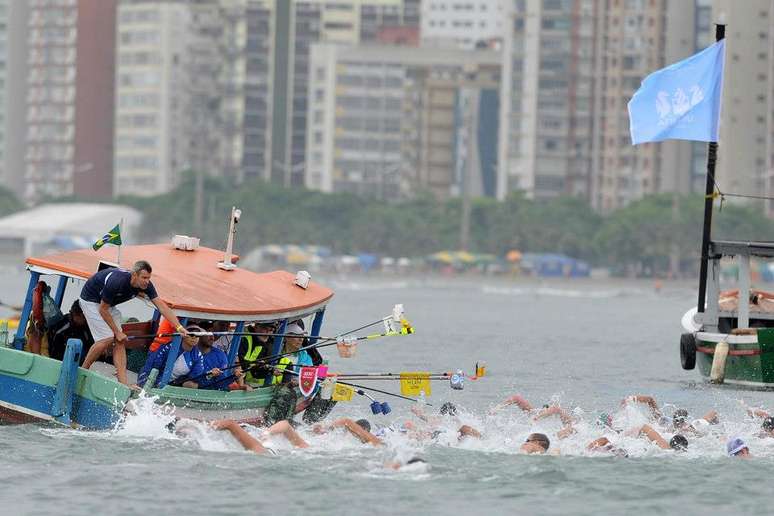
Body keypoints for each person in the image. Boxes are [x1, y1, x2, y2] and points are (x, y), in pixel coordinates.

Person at [79, 260, 188, 385]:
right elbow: (103, 309)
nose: (147, 281)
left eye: (149, 278)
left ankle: (123, 384)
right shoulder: (117, 282)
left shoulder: (146, 286)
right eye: (144, 277)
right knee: (108, 338)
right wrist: (116, 332)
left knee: (120, 341)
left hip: (107, 305)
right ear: (134, 275)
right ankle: (82, 371)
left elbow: (161, 306)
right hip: (91, 301)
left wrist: (179, 327)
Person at [137, 325, 201, 388]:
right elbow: (153, 366)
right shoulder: (169, 347)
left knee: (193, 385)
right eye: (191, 334)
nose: (194, 338)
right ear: (183, 335)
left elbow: (196, 375)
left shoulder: (197, 355)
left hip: (175, 384)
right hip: (157, 378)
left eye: (197, 335)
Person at [204, 419, 308, 455]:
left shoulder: (304, 448)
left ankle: (202, 429)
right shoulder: (306, 448)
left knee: (230, 424)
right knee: (230, 424)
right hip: (266, 449)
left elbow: (285, 425)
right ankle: (203, 429)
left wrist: (268, 433)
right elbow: (285, 424)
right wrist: (268, 433)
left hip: (266, 452)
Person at [239, 321, 277, 386]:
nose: (267, 332)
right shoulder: (244, 340)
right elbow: (240, 364)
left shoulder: (275, 343)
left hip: (269, 387)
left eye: (271, 329)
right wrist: (257, 365)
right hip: (246, 386)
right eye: (264, 328)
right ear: (256, 327)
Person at [312, 418, 384, 446]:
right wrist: (325, 429)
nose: (352, 433)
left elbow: (346, 422)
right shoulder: (353, 432)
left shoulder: (369, 439)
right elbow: (346, 423)